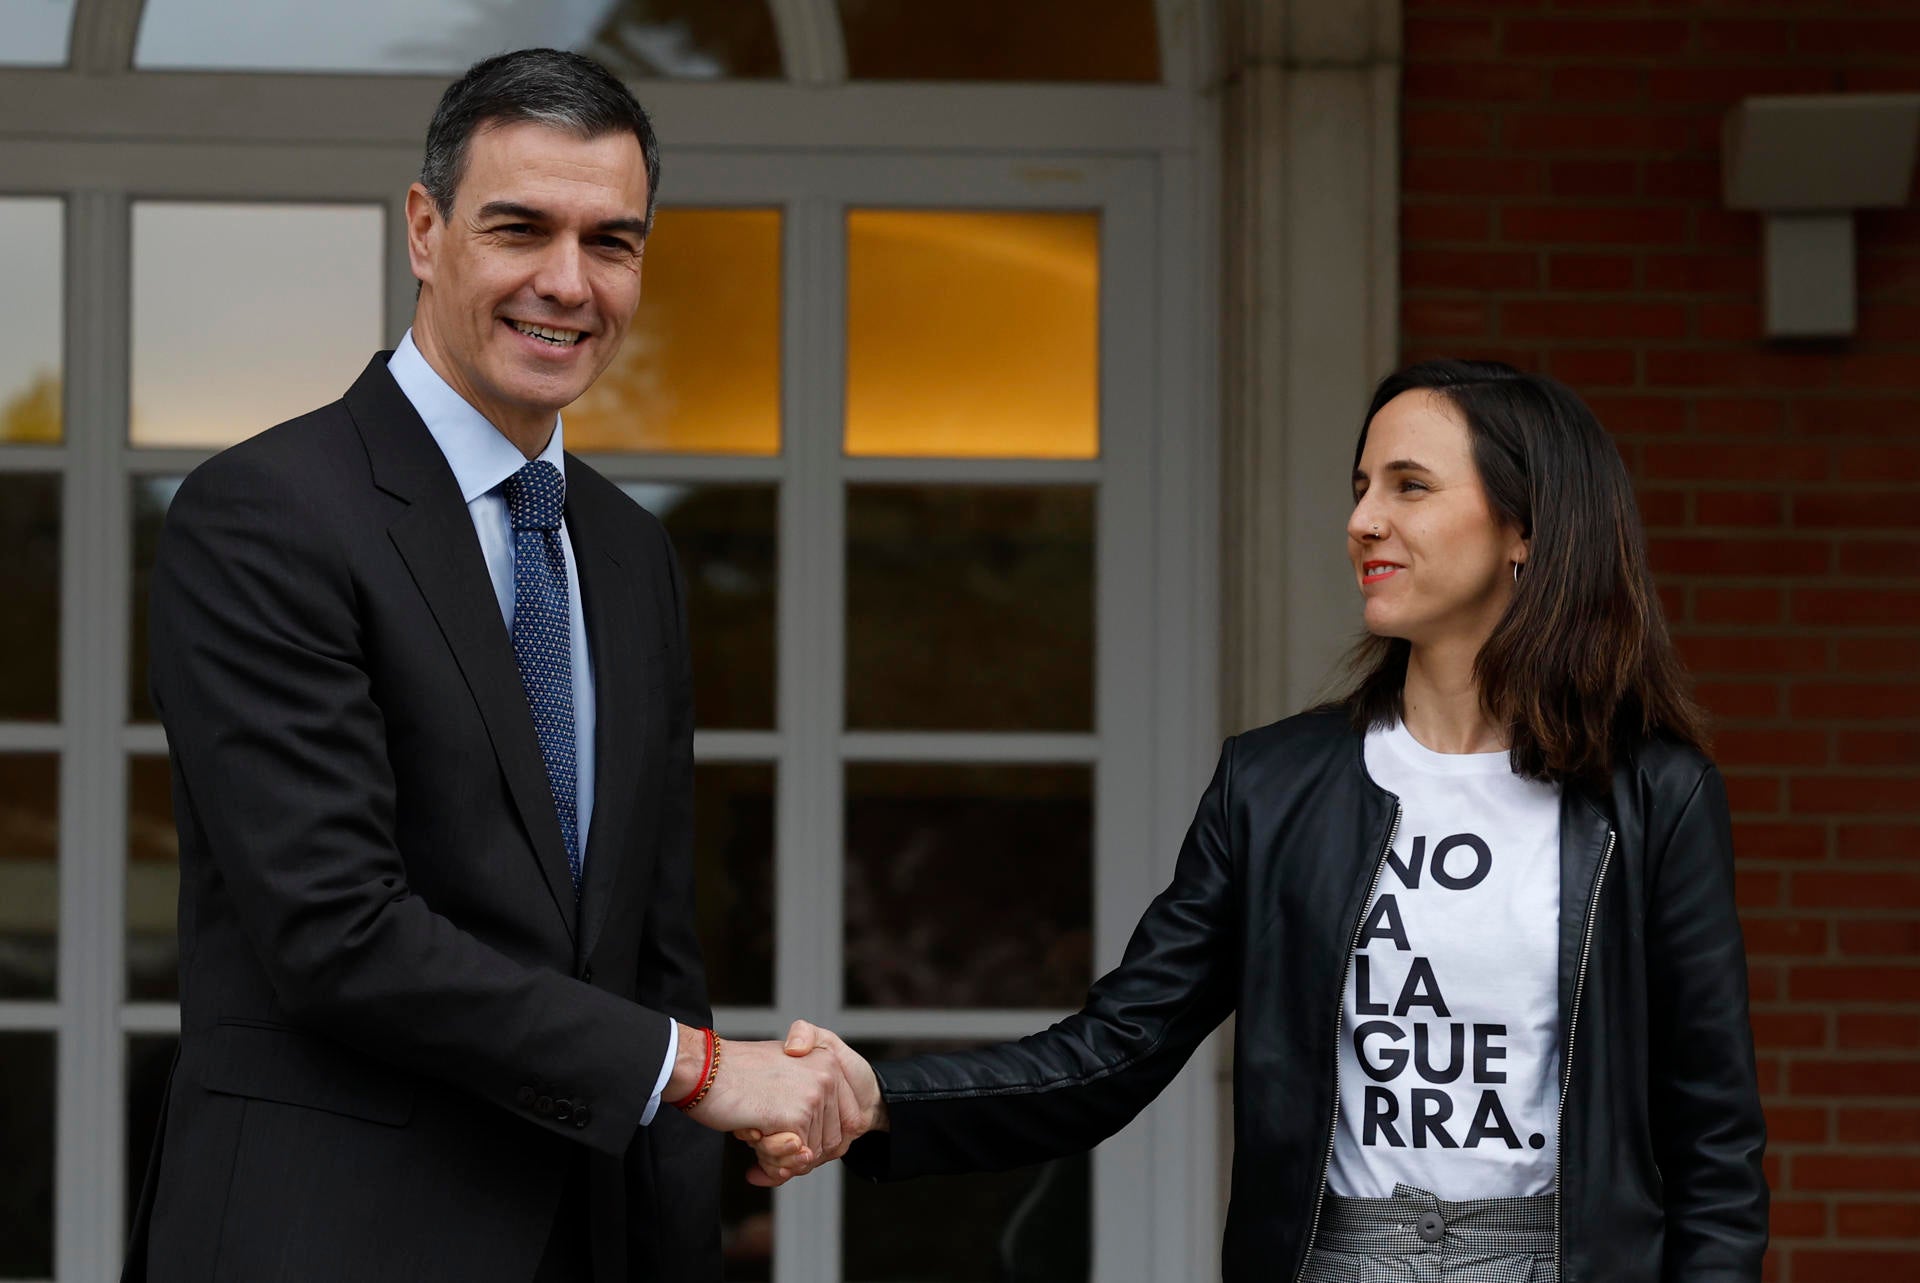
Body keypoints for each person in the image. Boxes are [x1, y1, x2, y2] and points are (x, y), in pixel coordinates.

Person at [749, 360, 1769, 1283]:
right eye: (1360, 487)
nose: (1365, 519)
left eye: (1409, 486)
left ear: (1525, 528)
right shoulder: (1276, 784)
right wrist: (878, 1093)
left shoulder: (1648, 797)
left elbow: (1714, 1142)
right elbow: (1113, 1049)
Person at [126, 49, 863, 1283]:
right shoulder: (265, 513)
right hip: (326, 1237)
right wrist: (695, 1067)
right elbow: (337, 930)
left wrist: (690, 1188)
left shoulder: (630, 552)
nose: (567, 284)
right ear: (425, 229)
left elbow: (652, 945)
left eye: (611, 242)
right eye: (520, 228)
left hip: (595, 1234)